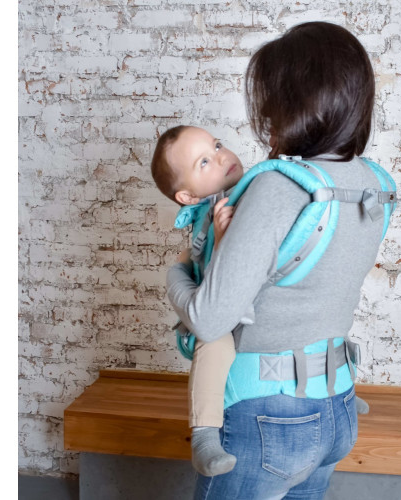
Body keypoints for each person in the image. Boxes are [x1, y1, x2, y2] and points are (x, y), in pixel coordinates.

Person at [166, 21, 391, 499]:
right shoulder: (374, 183)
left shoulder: (277, 187)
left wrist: (175, 277)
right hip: (339, 405)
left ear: (293, 102)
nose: (265, 113)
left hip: (269, 415)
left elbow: (209, 319)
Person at [151, 125, 244, 477]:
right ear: (188, 196)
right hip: (220, 309)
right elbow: (216, 279)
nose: (220, 156)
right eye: (203, 162)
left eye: (216, 145)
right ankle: (205, 435)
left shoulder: (251, 187)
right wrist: (221, 240)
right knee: (213, 343)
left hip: (261, 307)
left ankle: (336, 383)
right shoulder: (214, 212)